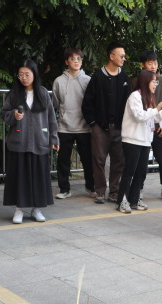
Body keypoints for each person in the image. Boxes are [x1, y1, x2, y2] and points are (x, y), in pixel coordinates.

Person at [2, 59, 59, 223]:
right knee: (19, 177)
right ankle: (19, 210)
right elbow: (4, 115)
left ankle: (37, 209)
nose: (23, 78)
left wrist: (54, 138)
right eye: (20, 75)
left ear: (34, 74)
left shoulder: (43, 93)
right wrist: (13, 115)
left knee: (39, 177)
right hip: (19, 141)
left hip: (40, 140)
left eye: (27, 74)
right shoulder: (14, 94)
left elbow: (51, 118)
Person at [81, 42, 130, 204]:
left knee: (119, 160)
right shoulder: (98, 76)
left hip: (119, 127)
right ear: (111, 56)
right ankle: (100, 191)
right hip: (100, 127)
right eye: (121, 55)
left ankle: (114, 191)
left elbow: (129, 102)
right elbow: (87, 103)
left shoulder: (124, 77)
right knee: (98, 159)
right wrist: (93, 123)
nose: (124, 58)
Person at [117, 69, 162, 213]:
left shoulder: (149, 97)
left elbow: (152, 117)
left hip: (145, 140)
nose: (156, 85)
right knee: (129, 171)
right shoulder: (135, 96)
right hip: (132, 139)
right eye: (153, 82)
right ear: (146, 82)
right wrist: (156, 109)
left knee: (141, 172)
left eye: (156, 82)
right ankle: (122, 201)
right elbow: (139, 116)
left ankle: (134, 200)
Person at [52, 47, 94, 200]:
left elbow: (92, 102)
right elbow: (56, 102)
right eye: (72, 59)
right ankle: (64, 189)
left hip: (85, 127)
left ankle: (91, 187)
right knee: (63, 160)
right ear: (66, 62)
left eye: (79, 59)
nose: (76, 61)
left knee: (88, 159)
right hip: (64, 127)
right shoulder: (59, 81)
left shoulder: (88, 80)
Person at [133, 50, 162, 202]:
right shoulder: (135, 82)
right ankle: (139, 188)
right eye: (149, 63)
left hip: (159, 127)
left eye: (155, 63)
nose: (153, 66)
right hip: (142, 127)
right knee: (141, 161)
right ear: (142, 64)